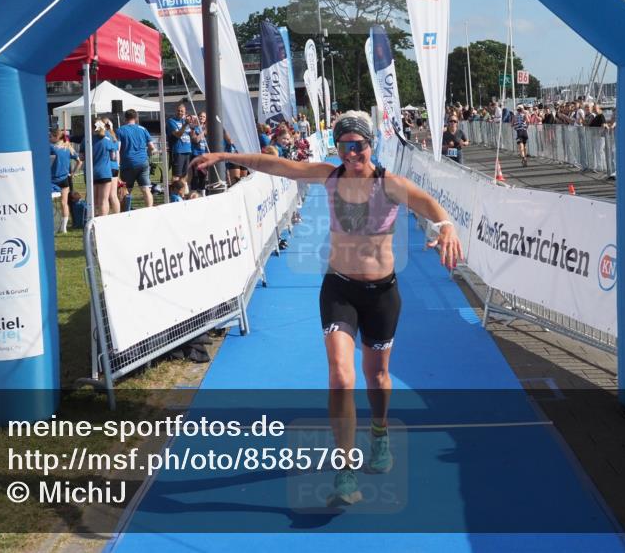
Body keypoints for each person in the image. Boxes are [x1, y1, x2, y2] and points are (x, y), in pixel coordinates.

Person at [190, 110, 463, 506]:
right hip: (339, 291)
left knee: (378, 377)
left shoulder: (391, 184)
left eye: (359, 145)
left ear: (371, 145)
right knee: (339, 375)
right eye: (345, 146)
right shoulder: (329, 176)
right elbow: (279, 166)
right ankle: (345, 465)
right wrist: (226, 158)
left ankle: (381, 433)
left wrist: (447, 227)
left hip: (382, 295)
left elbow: (432, 206)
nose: (352, 153)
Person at [116, 109, 156, 211]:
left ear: (125, 118)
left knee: (126, 190)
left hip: (128, 163)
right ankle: (149, 210)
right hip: (143, 162)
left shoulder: (120, 130)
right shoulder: (143, 129)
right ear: (136, 118)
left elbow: (118, 149)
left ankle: (125, 212)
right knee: (146, 188)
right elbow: (152, 147)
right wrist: (151, 153)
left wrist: (117, 165)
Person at [50, 129, 80, 232]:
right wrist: (73, 174)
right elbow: (79, 162)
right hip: (65, 179)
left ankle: (51, 224)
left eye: (50, 137)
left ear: (56, 137)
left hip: (52, 180)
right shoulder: (68, 147)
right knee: (64, 203)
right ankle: (64, 228)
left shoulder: (51, 148)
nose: (49, 138)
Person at [88, 120, 114, 216]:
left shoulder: (88, 139)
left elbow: (82, 157)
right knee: (104, 200)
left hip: (92, 173)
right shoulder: (107, 138)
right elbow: (113, 156)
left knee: (94, 200)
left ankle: (92, 220)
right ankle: (103, 221)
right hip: (105, 172)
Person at [167, 103, 195, 180]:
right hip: (178, 151)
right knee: (176, 176)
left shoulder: (186, 121)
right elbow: (178, 134)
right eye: (178, 111)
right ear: (175, 111)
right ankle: (175, 191)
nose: (180, 112)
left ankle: (182, 191)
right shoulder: (171, 121)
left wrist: (194, 126)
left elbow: (192, 136)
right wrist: (185, 124)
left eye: (182, 111)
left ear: (185, 112)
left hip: (188, 150)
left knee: (185, 175)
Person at [189, 111, 210, 193]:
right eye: (200, 116)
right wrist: (203, 133)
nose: (202, 118)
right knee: (195, 175)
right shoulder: (194, 128)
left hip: (204, 154)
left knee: (203, 174)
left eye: (203, 117)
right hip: (196, 154)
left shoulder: (207, 129)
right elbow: (195, 140)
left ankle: (203, 192)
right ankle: (193, 192)